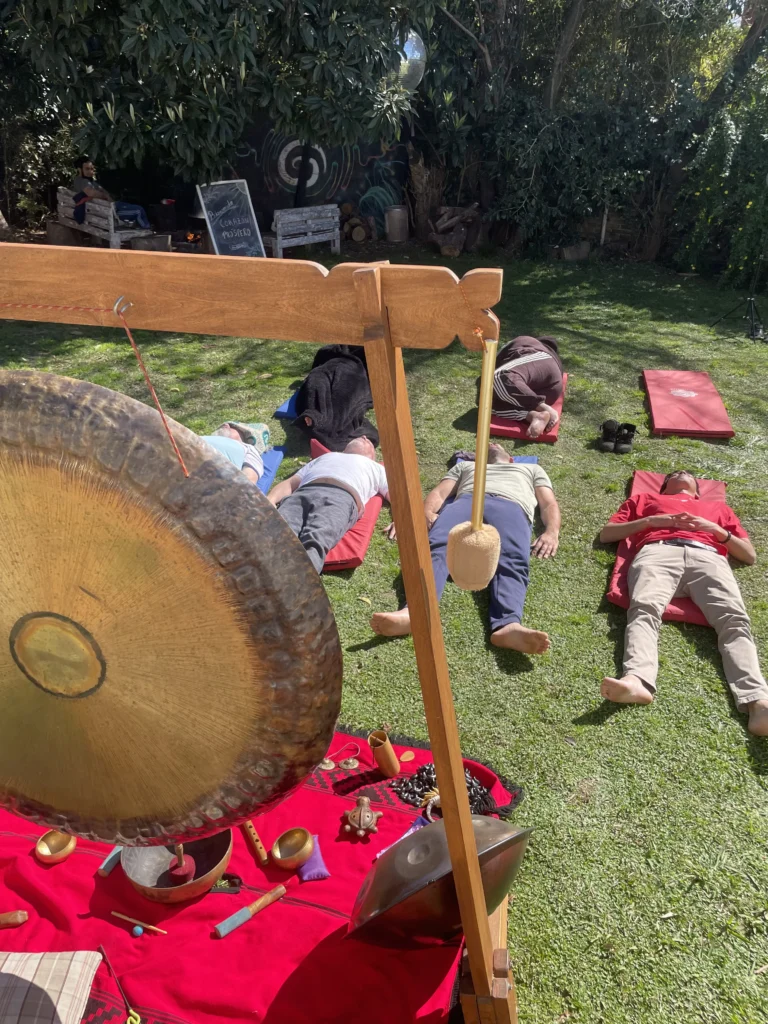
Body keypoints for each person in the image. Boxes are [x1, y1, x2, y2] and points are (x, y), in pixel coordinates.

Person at [599, 469, 768, 736]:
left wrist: (716, 530)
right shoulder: (644, 499)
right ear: (663, 488)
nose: (681, 473)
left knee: (734, 620)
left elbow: (749, 556)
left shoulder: (717, 508)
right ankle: (637, 681)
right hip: (658, 551)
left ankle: (758, 702)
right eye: (673, 475)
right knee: (644, 610)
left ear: (698, 490)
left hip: (709, 557)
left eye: (688, 474)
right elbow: (607, 534)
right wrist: (653, 521)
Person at [370, 443, 560, 654]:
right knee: (436, 546)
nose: (491, 443)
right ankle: (415, 612)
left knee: (513, 557)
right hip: (466, 502)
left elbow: (548, 504)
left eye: (496, 443)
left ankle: (508, 625)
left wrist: (552, 532)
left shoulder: (530, 469)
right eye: (486, 444)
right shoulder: (466, 467)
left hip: (512, 506)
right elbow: (440, 494)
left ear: (512, 457)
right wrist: (425, 512)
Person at [268, 437, 389, 572]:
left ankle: (296, 588)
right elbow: (291, 483)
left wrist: (403, 522)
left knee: (314, 542)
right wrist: (271, 500)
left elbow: (396, 495)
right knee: (275, 535)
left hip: (341, 498)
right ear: (344, 450)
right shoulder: (327, 457)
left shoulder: (377, 468)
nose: (364, 436)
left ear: (372, 457)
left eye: (369, 441)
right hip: (302, 493)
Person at [492, 335, 564, 438]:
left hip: (543, 365)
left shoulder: (525, 341)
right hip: (549, 391)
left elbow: (492, 366)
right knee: (485, 402)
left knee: (497, 378)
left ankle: (541, 406)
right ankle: (532, 415)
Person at [71, 157, 151, 230]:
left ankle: (142, 226)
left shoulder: (87, 181)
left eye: (92, 169)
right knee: (139, 210)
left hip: (106, 209)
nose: (90, 172)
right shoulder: (82, 181)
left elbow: (101, 190)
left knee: (133, 206)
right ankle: (147, 230)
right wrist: (106, 196)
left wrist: (106, 195)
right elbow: (91, 193)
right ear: (79, 170)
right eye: (87, 169)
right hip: (108, 213)